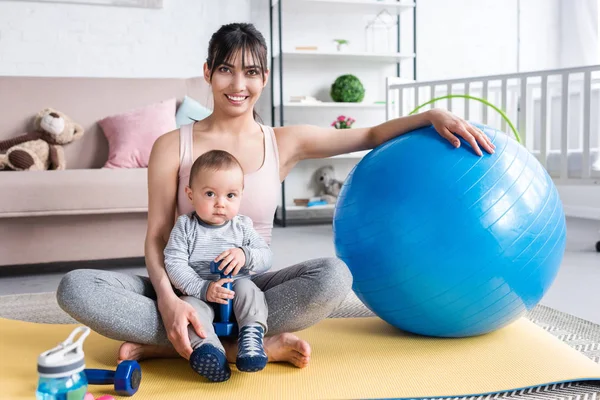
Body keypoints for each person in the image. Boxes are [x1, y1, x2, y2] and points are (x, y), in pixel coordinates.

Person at [56, 22, 494, 371]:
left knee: (333, 278)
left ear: (264, 78)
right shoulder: (172, 145)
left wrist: (432, 114)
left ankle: (186, 345)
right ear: (207, 72)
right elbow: (156, 236)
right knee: (77, 287)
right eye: (226, 69)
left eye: (250, 71)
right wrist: (169, 301)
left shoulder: (283, 141)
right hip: (183, 284)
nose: (237, 83)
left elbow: (370, 134)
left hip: (249, 286)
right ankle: (240, 343)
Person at [164, 149, 271, 382]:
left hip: (236, 291)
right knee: (190, 311)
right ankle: (210, 351)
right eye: (210, 194)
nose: (221, 204)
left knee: (249, 291)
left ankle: (251, 338)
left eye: (231, 195)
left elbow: (266, 257)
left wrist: (245, 254)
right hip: (200, 293)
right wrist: (203, 288)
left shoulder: (242, 226)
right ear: (190, 195)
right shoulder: (185, 226)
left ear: (241, 195)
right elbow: (174, 263)